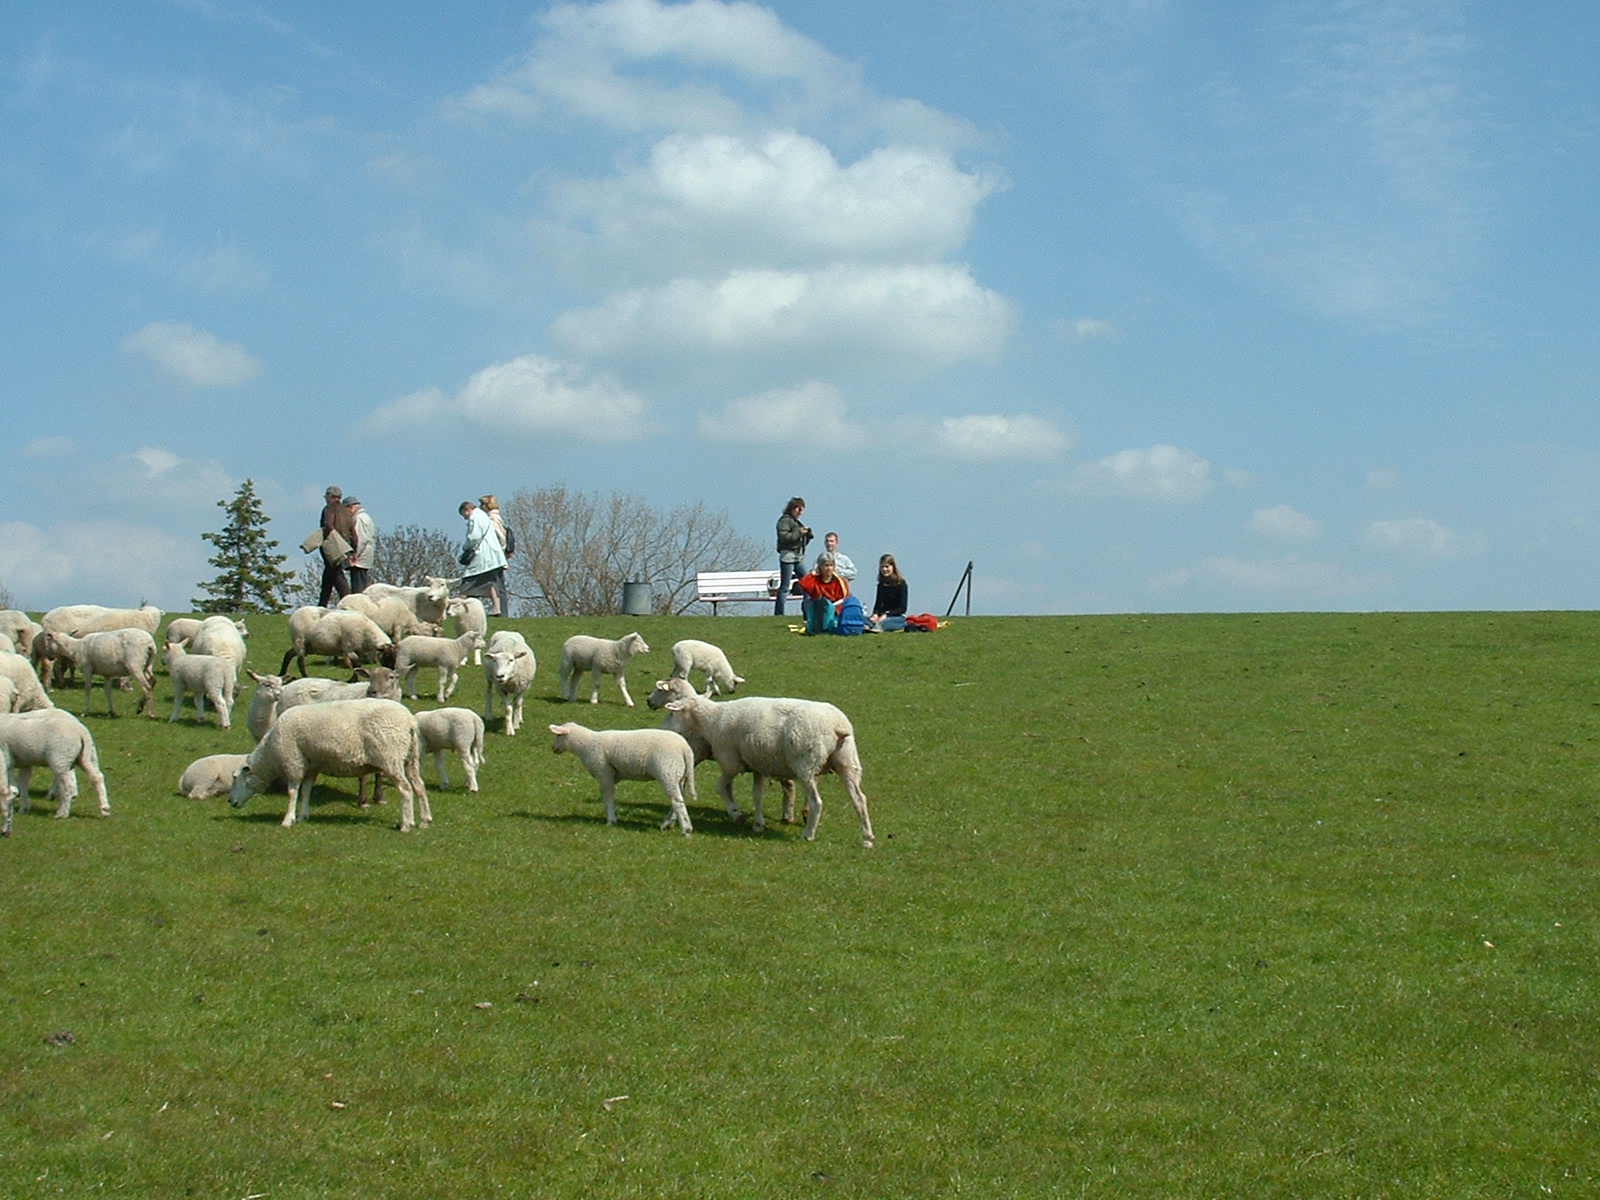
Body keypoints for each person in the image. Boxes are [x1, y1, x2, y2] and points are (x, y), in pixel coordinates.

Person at [457, 499, 508, 614]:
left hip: (483, 556)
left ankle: (458, 608)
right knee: (490, 582)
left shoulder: (475, 518)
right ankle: (497, 609)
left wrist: (465, 547)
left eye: (463, 514)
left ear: (467, 510)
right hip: (492, 556)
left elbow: (474, 537)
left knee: (467, 582)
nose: (464, 518)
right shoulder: (484, 516)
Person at [317, 485, 356, 607]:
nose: (325, 498)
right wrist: (354, 550)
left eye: (326, 496)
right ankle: (322, 604)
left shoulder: (329, 508)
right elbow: (353, 532)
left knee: (337, 575)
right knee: (329, 575)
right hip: (344, 547)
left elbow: (328, 524)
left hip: (333, 547)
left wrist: (330, 537)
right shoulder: (346, 511)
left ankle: (348, 602)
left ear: (331, 496)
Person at [774, 497, 811, 616]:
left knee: (806, 583)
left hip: (797, 556)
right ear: (792, 508)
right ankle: (779, 614)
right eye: (798, 509)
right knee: (785, 586)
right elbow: (784, 537)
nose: (800, 512)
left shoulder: (796, 523)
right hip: (787, 556)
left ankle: (807, 611)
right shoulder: (784, 521)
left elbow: (799, 541)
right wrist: (799, 533)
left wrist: (807, 536)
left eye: (802, 510)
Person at [797, 552, 849, 635]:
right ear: (820, 567)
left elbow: (846, 598)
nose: (829, 568)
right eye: (826, 566)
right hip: (818, 612)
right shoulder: (815, 581)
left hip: (835, 613)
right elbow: (803, 584)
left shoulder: (840, 582)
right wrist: (813, 574)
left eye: (831, 565)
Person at [478, 494, 510, 617]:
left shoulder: (492, 519)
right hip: (498, 556)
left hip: (495, 557)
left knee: (497, 584)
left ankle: (501, 611)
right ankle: (500, 611)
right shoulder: (496, 517)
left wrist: (498, 550)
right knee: (496, 584)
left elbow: (500, 537)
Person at [866, 554, 908, 632]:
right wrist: (875, 614)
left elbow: (902, 608)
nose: (884, 569)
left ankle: (879, 626)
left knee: (885, 623)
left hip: (896, 616)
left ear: (893, 567)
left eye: (887, 566)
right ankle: (871, 626)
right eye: (882, 567)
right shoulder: (881, 585)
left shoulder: (901, 584)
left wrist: (887, 614)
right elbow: (878, 603)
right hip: (881, 615)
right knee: (863, 619)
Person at [344, 496, 376, 593]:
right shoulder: (366, 517)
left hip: (360, 559)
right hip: (366, 556)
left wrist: (355, 555)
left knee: (358, 586)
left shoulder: (358, 519)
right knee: (363, 582)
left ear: (350, 507)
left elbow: (360, 539)